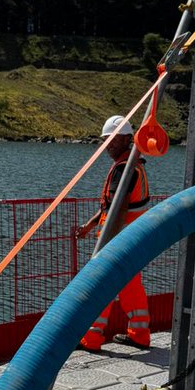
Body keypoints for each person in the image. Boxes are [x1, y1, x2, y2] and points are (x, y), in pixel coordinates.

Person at [77, 114, 151, 351]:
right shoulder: (131, 167)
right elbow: (111, 207)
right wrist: (90, 225)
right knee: (130, 288)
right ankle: (140, 335)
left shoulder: (125, 169)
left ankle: (91, 338)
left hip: (117, 241)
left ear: (129, 139)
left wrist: (108, 245)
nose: (109, 144)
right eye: (107, 140)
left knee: (99, 285)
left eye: (114, 140)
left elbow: (118, 210)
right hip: (132, 241)